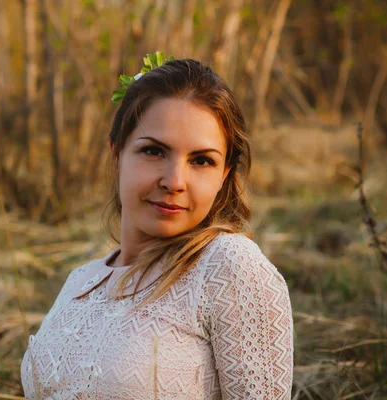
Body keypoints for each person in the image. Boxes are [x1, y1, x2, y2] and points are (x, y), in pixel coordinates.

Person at [20, 57, 293, 399]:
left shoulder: (229, 269)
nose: (174, 181)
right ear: (116, 153)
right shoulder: (80, 280)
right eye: (153, 151)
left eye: (201, 160)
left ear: (224, 174)